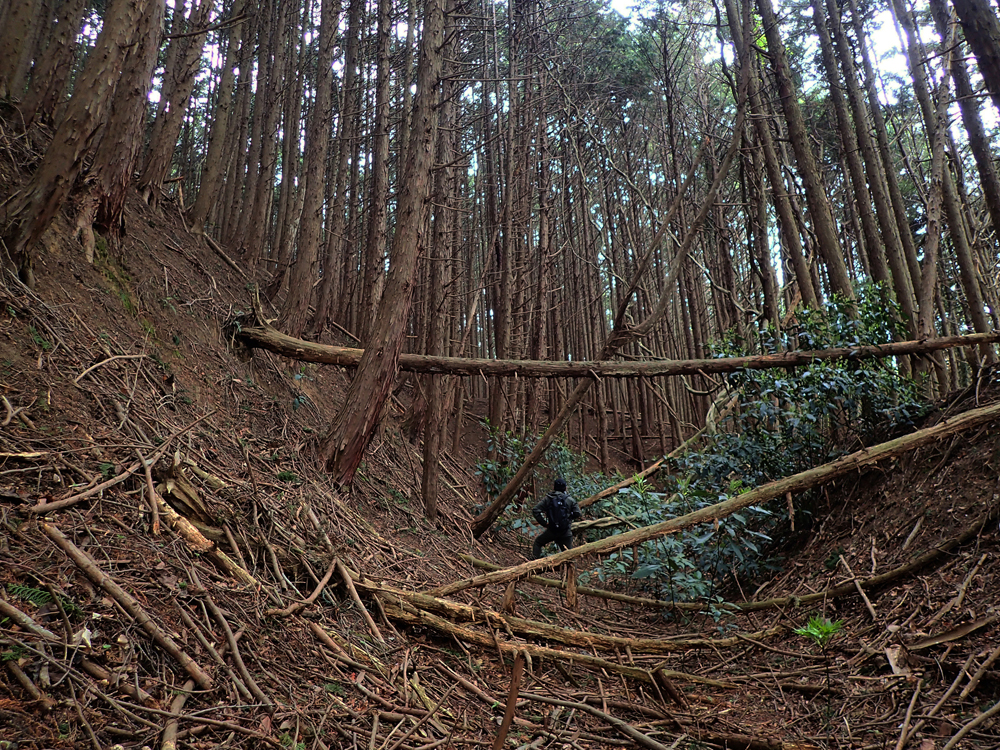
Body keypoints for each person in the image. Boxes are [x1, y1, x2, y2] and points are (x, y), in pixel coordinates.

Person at [531, 478, 581, 559]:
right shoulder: (570, 500)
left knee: (538, 542)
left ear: (554, 487)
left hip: (552, 531)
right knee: (569, 555)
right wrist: (568, 520)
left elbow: (535, 510)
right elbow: (578, 513)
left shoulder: (548, 499)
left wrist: (544, 523)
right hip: (565, 532)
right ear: (565, 488)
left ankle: (534, 564)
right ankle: (571, 570)